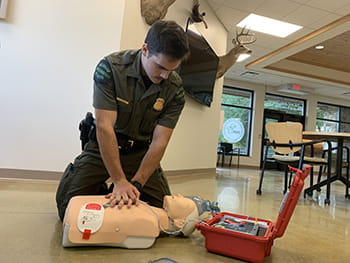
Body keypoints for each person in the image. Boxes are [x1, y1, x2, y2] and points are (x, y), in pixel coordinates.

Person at [56, 20, 190, 221]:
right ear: (145, 49)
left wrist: (136, 184)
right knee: (66, 209)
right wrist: (119, 181)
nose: (165, 75)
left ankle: (122, 188)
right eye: (160, 67)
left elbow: (160, 141)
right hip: (103, 148)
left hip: (139, 154)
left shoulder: (176, 89)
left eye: (171, 70)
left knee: (164, 213)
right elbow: (104, 126)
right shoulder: (110, 68)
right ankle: (103, 187)